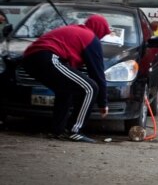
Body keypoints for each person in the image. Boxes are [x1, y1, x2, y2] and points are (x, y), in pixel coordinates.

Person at [21, 14, 111, 143]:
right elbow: (97, 74)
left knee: (66, 90)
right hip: (47, 56)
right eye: (104, 33)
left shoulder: (76, 30)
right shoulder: (91, 38)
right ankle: (74, 131)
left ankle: (58, 130)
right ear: (100, 29)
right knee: (90, 87)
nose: (102, 37)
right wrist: (103, 103)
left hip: (29, 59)